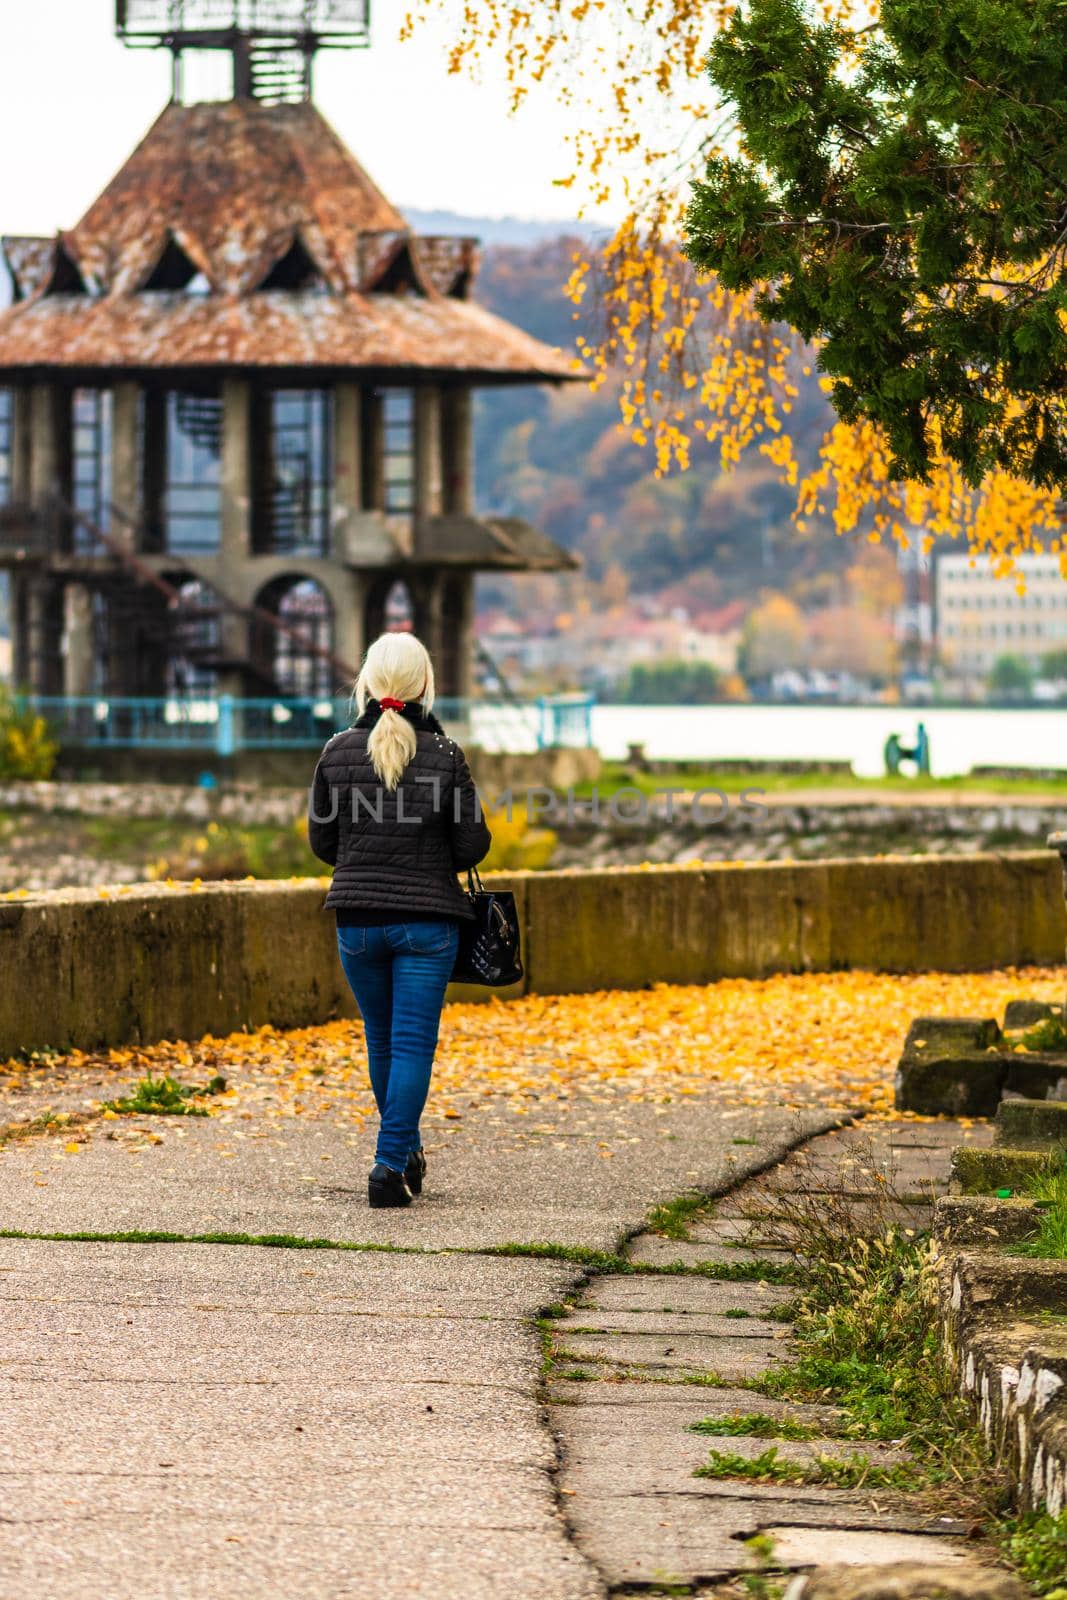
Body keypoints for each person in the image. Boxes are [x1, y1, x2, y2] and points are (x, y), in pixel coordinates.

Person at [308, 633, 491, 1208]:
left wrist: (367, 852)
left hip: (356, 923)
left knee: (382, 1042)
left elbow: (322, 841)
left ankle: (405, 1151)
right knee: (412, 1045)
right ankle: (388, 1166)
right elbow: (472, 846)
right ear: (423, 685)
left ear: (367, 681)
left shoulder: (336, 751)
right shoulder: (445, 755)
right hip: (426, 925)